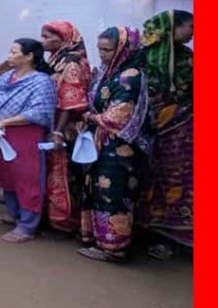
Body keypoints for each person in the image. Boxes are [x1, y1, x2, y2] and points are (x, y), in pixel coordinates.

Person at [78, 27, 149, 263]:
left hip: (120, 148)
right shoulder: (109, 72)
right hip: (101, 142)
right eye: (99, 49)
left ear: (123, 49)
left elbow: (119, 116)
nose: (102, 54)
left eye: (107, 49)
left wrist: (91, 117)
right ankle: (98, 238)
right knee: (98, 190)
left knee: (114, 193)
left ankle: (113, 247)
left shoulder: (131, 76)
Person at [0, 39, 57, 243]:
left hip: (25, 135)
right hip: (0, 133)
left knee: (28, 178)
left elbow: (40, 111)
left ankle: (27, 225)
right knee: (9, 176)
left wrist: (5, 121)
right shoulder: (6, 77)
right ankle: (11, 213)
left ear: (29, 56)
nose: (9, 55)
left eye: (14, 52)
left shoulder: (41, 81)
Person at [139, 10, 194, 260]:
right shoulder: (141, 59)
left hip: (182, 137)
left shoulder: (187, 58)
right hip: (148, 133)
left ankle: (177, 238)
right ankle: (151, 234)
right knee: (150, 179)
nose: (193, 32)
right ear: (173, 28)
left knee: (180, 182)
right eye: (190, 26)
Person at [39, 21, 92, 234]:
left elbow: (69, 103)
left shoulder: (71, 63)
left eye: (47, 37)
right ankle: (54, 217)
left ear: (63, 39)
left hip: (65, 127)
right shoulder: (58, 59)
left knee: (64, 172)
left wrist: (57, 132)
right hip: (56, 123)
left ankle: (64, 221)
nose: (42, 41)